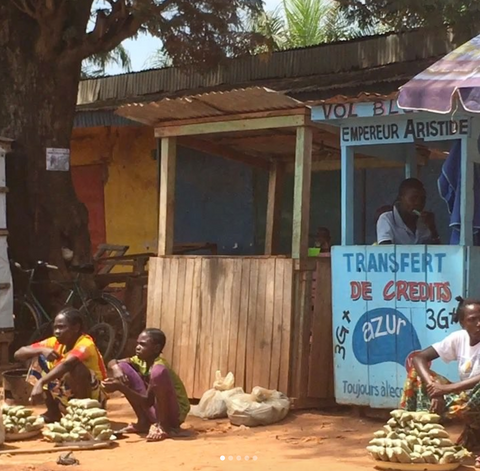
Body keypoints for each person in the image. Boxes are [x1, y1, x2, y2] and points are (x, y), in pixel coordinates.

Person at [400, 297, 480, 454]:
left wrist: (445, 389)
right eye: (473, 320)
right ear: (463, 323)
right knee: (417, 373)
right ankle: (415, 434)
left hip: (475, 401)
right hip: (464, 399)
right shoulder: (459, 338)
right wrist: (434, 389)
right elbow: (419, 358)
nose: (479, 323)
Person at [14, 307, 107, 423]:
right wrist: (41, 350)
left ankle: (84, 415)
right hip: (66, 394)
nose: (57, 331)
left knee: (75, 368)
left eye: (61, 327)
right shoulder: (55, 342)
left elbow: (68, 364)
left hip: (94, 399)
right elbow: (18, 353)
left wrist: (41, 382)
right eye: (55, 327)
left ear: (76, 328)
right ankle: (53, 413)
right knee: (39, 358)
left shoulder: (86, 343)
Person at [103, 328, 190, 442]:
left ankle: (163, 426)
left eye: (143, 345)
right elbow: (113, 361)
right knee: (123, 367)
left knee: (157, 374)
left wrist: (121, 387)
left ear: (156, 349)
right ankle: (143, 421)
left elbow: (147, 401)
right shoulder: (142, 361)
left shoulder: (159, 367)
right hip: (155, 409)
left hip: (173, 414)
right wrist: (115, 369)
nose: (137, 347)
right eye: (138, 343)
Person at [376, 178, 440, 244]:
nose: (418, 203)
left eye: (422, 199)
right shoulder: (387, 219)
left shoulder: (423, 222)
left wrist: (432, 228)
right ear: (401, 199)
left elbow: (436, 252)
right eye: (413, 198)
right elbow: (385, 251)